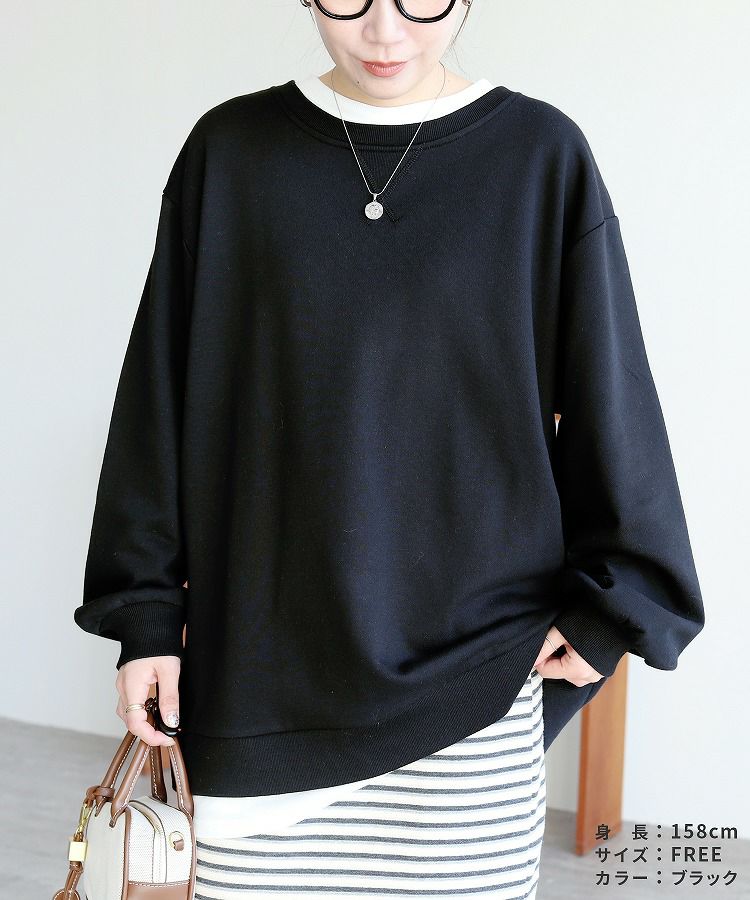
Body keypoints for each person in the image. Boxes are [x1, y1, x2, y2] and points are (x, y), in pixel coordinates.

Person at [74, 1, 705, 897]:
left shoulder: (539, 155)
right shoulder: (231, 152)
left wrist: (611, 613)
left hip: (477, 685)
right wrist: (142, 616)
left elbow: (614, 400)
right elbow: (156, 403)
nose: (385, 31)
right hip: (260, 680)